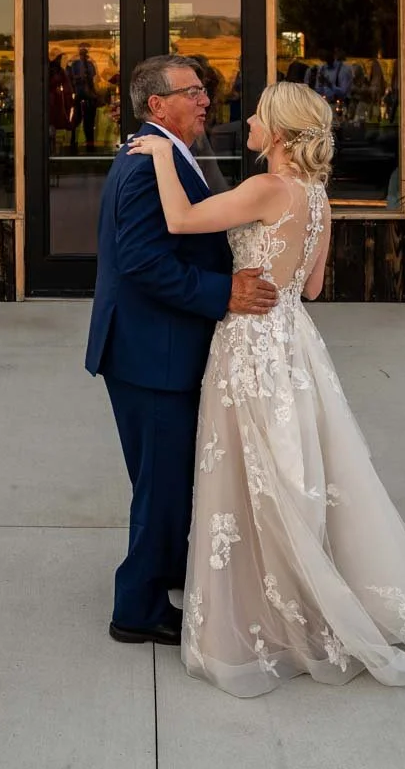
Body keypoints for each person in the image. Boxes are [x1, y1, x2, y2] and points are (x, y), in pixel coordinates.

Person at [128, 81, 405, 694]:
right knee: (294, 467)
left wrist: (156, 155)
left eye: (256, 115)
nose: (247, 120)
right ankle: (311, 592)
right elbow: (309, 288)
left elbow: (179, 220)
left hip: (249, 343)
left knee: (252, 471)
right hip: (294, 341)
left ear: (278, 132)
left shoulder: (264, 188)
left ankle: (270, 608)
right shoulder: (317, 197)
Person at [85, 55, 278, 648]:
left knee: (167, 478)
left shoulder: (164, 152)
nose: (204, 100)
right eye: (191, 92)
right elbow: (144, 263)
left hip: (155, 347)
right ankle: (137, 608)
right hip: (151, 353)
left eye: (203, 89)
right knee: (162, 484)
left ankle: (165, 572)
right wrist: (226, 293)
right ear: (156, 105)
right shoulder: (147, 164)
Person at [68, 44, 99, 152]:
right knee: (76, 122)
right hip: (78, 95)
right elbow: (70, 78)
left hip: (89, 96)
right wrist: (79, 79)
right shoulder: (74, 64)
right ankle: (73, 145)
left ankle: (90, 146)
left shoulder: (90, 64)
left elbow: (94, 79)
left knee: (89, 123)